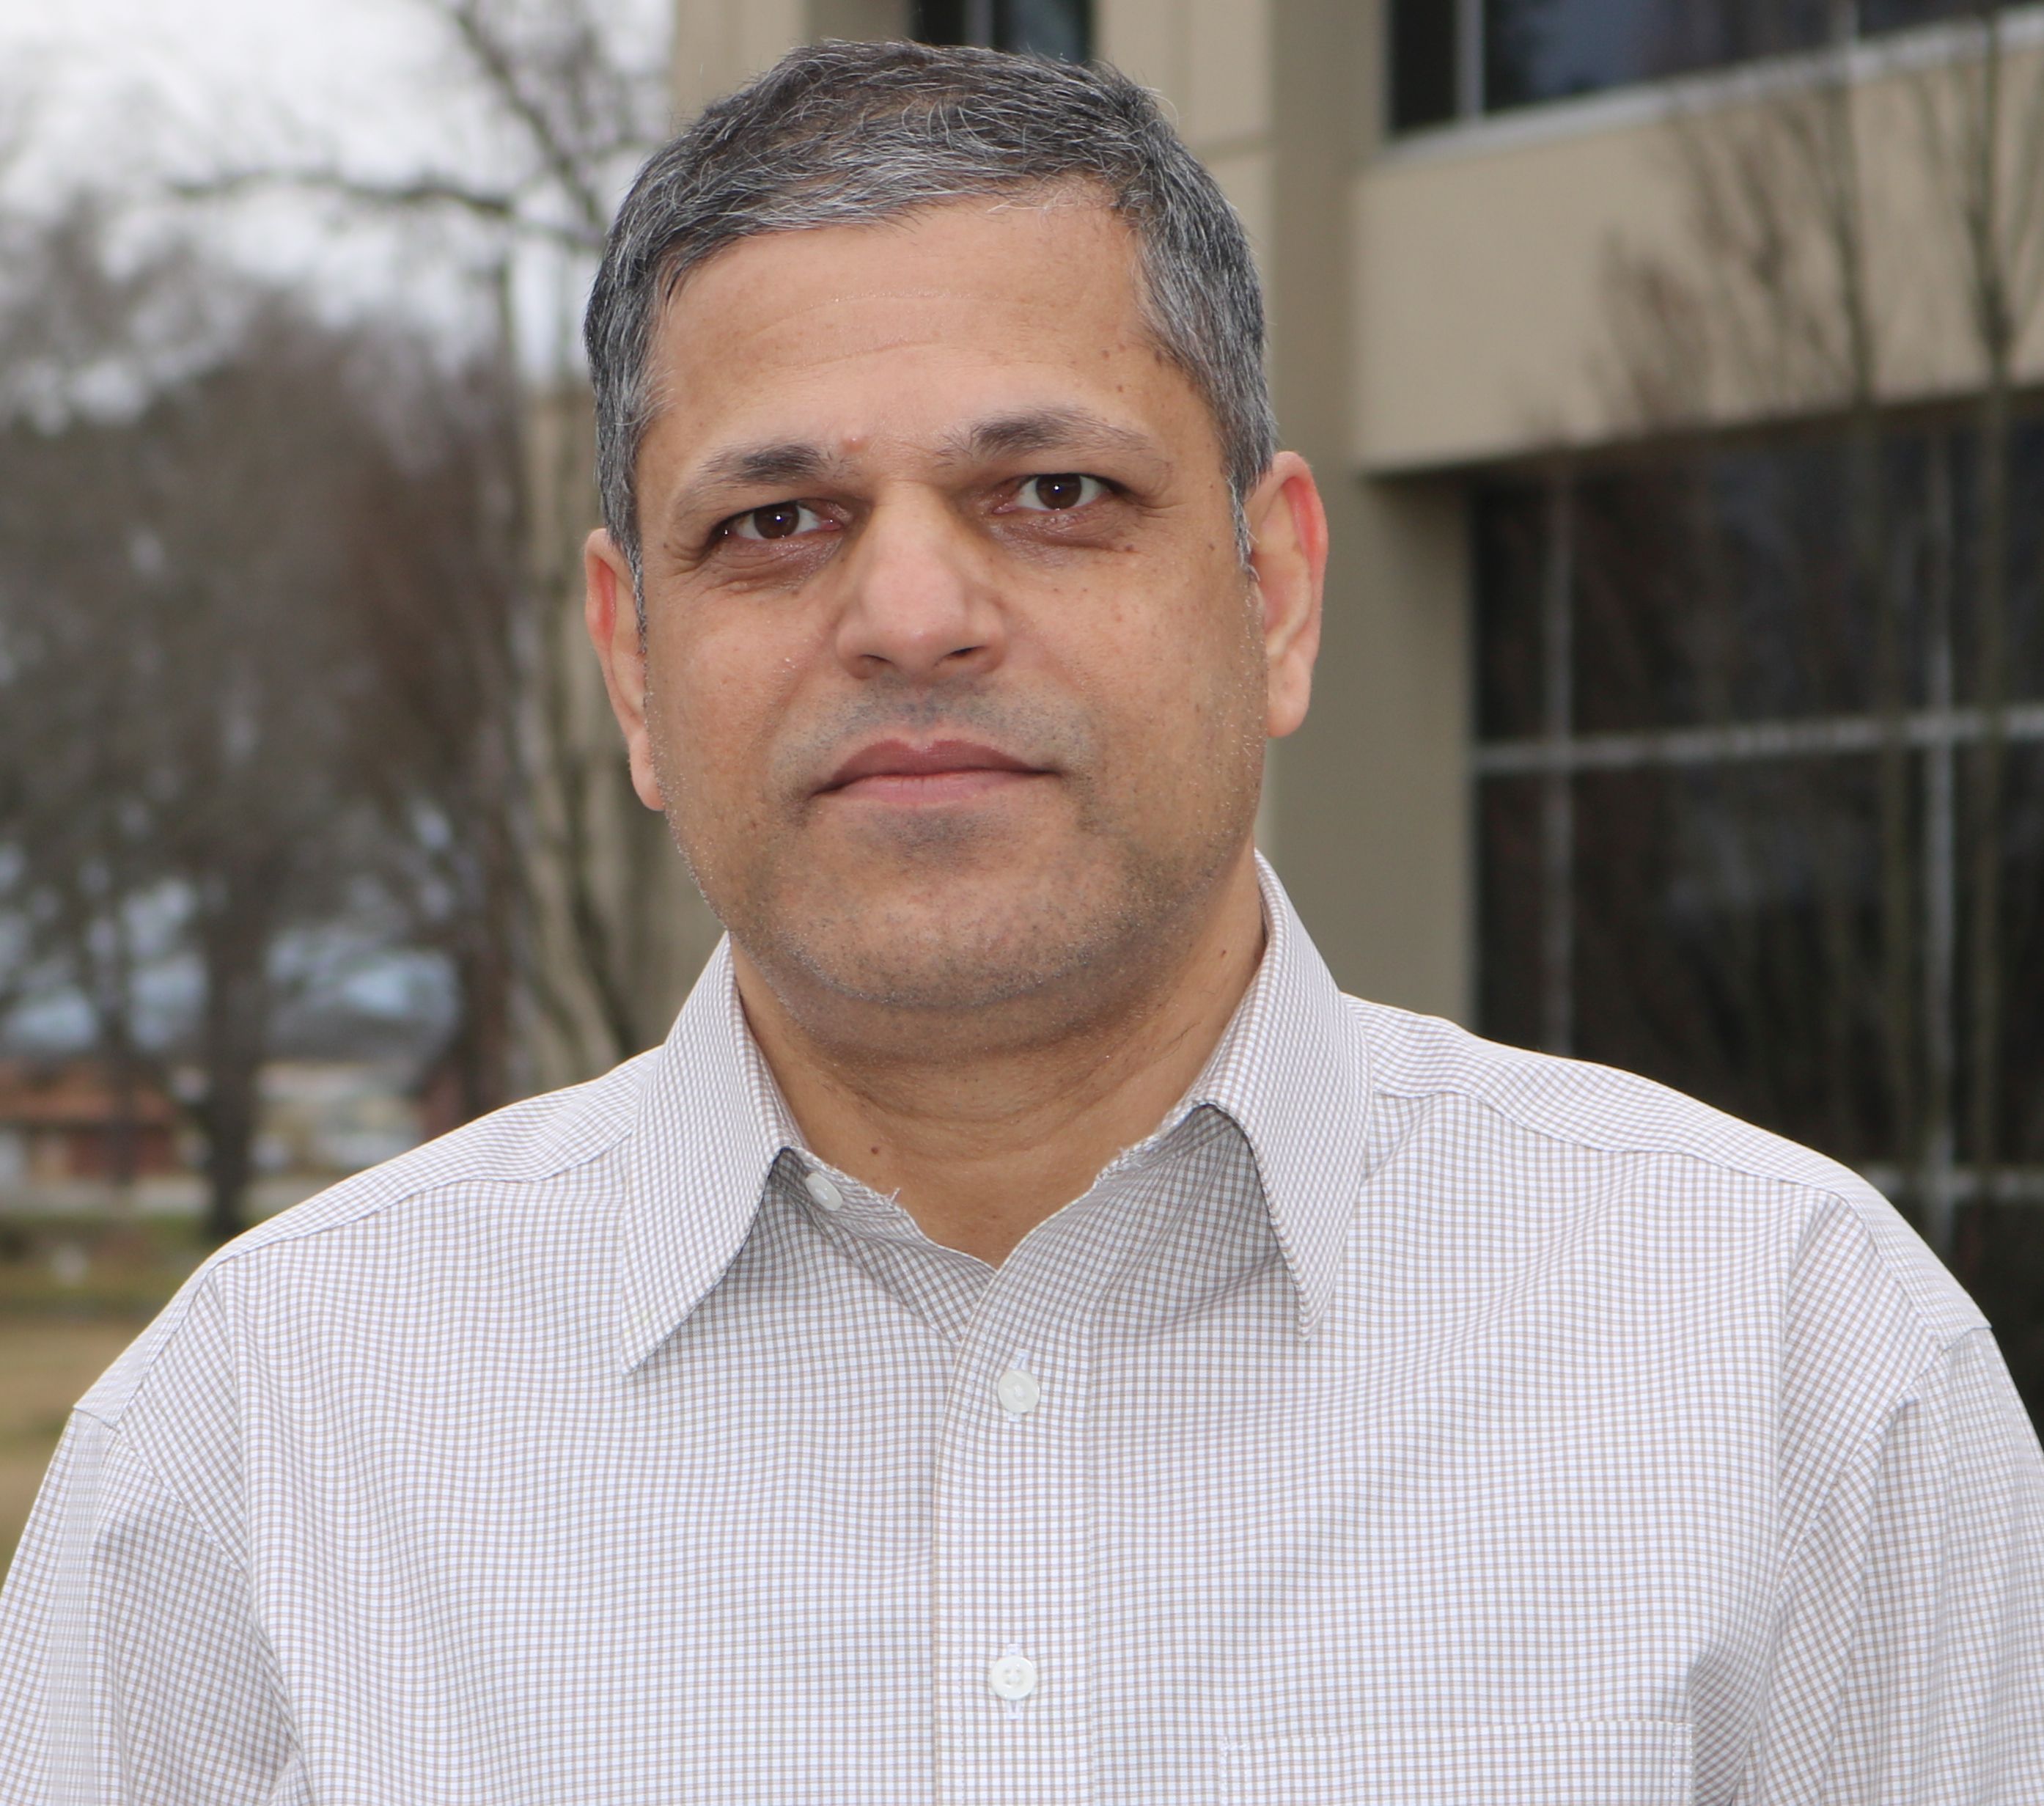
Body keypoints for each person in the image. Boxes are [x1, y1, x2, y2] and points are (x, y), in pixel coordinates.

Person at [4, 38, 2040, 1803]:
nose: (908, 613)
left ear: (1275, 592)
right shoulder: (256, 1453)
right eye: (773, 522)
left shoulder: (1785, 1369)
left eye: (1049, 491)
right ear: (632, 662)